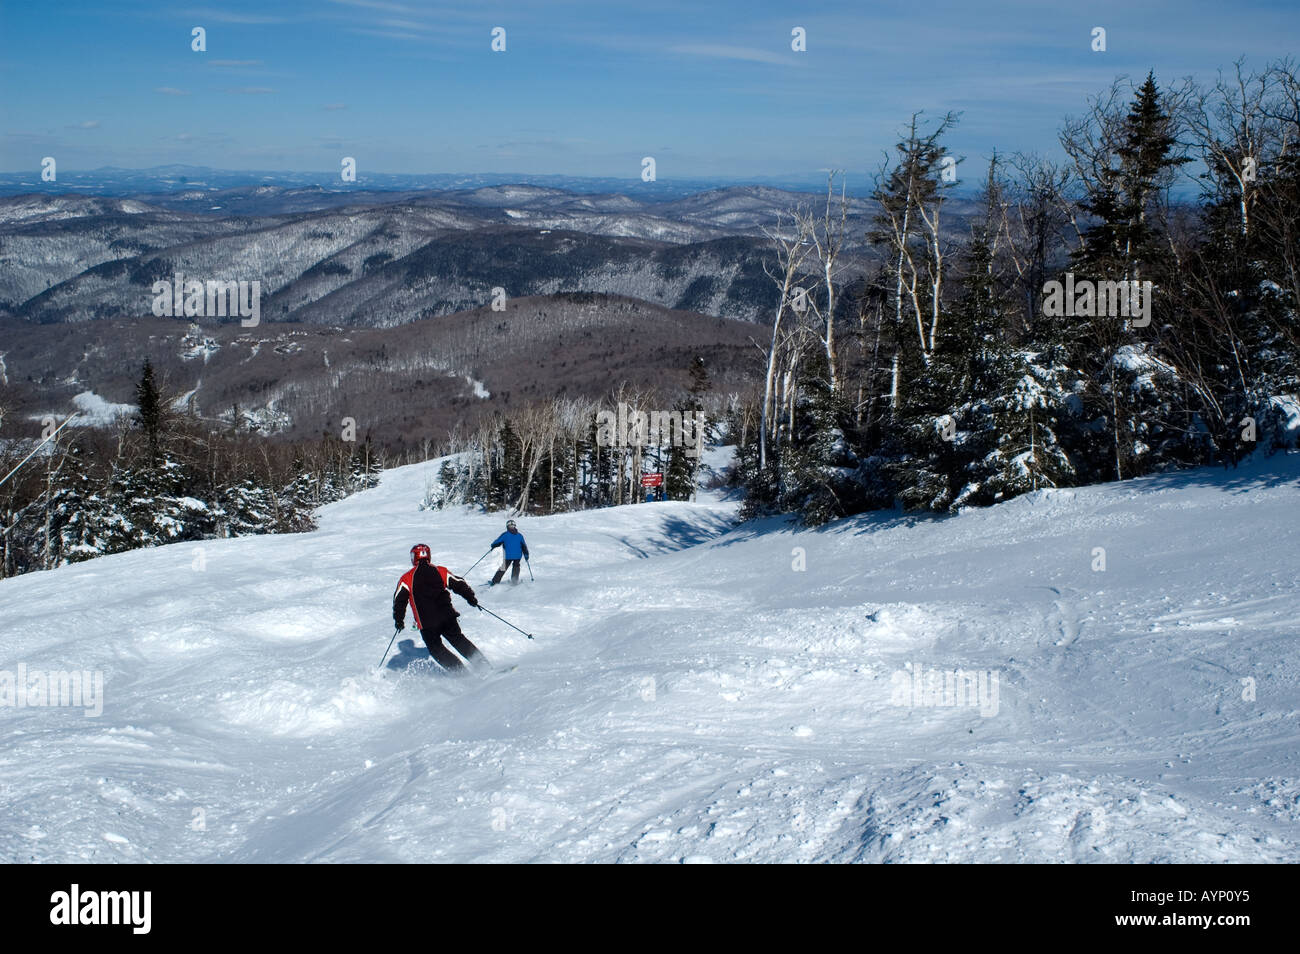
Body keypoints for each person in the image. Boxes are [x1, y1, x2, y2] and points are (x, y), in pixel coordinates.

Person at [393, 543, 485, 674]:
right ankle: (484, 667)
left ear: (414, 557)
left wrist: (399, 620)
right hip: (448, 616)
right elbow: (459, 584)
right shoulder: (440, 570)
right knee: (459, 640)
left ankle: (462, 675)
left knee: (437, 650)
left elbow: (399, 601)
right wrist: (471, 598)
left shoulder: (407, 578)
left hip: (427, 623)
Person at [488, 519, 529, 586]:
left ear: (507, 526)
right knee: (516, 566)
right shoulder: (520, 535)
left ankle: (495, 581)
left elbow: (497, 542)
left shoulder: (505, 535)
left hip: (508, 556)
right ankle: (514, 581)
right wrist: (526, 555)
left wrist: (493, 546)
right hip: (518, 556)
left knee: (503, 567)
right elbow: (524, 546)